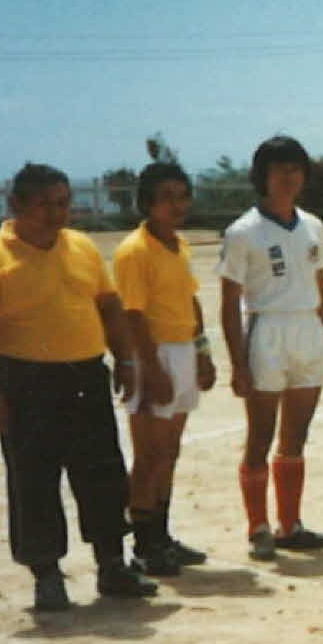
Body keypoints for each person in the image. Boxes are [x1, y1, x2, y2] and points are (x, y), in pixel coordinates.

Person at [0, 163, 155, 609]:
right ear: (16, 204)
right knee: (34, 481)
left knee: (102, 473)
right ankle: (46, 574)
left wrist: (124, 359)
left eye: (62, 202)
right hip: (26, 382)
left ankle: (112, 565)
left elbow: (108, 305)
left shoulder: (81, 247)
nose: (55, 213)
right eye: (44, 204)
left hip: (85, 376)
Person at [219, 136, 323, 562]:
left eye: (295, 169)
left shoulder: (313, 226)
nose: (288, 178)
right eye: (279, 170)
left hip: (307, 330)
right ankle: (258, 527)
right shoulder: (243, 232)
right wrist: (237, 363)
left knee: (296, 436)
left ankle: (291, 524)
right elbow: (230, 302)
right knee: (260, 434)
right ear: (263, 177)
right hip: (267, 331)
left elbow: (322, 290)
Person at [112, 162, 215, 576]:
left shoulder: (180, 245)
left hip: (183, 349)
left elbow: (191, 301)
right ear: (147, 202)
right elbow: (131, 315)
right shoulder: (134, 251)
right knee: (150, 453)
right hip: (152, 354)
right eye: (166, 197)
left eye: (182, 195)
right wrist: (151, 368)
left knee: (169, 451)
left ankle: (162, 534)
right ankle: (143, 544)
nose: (177, 205)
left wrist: (202, 350)